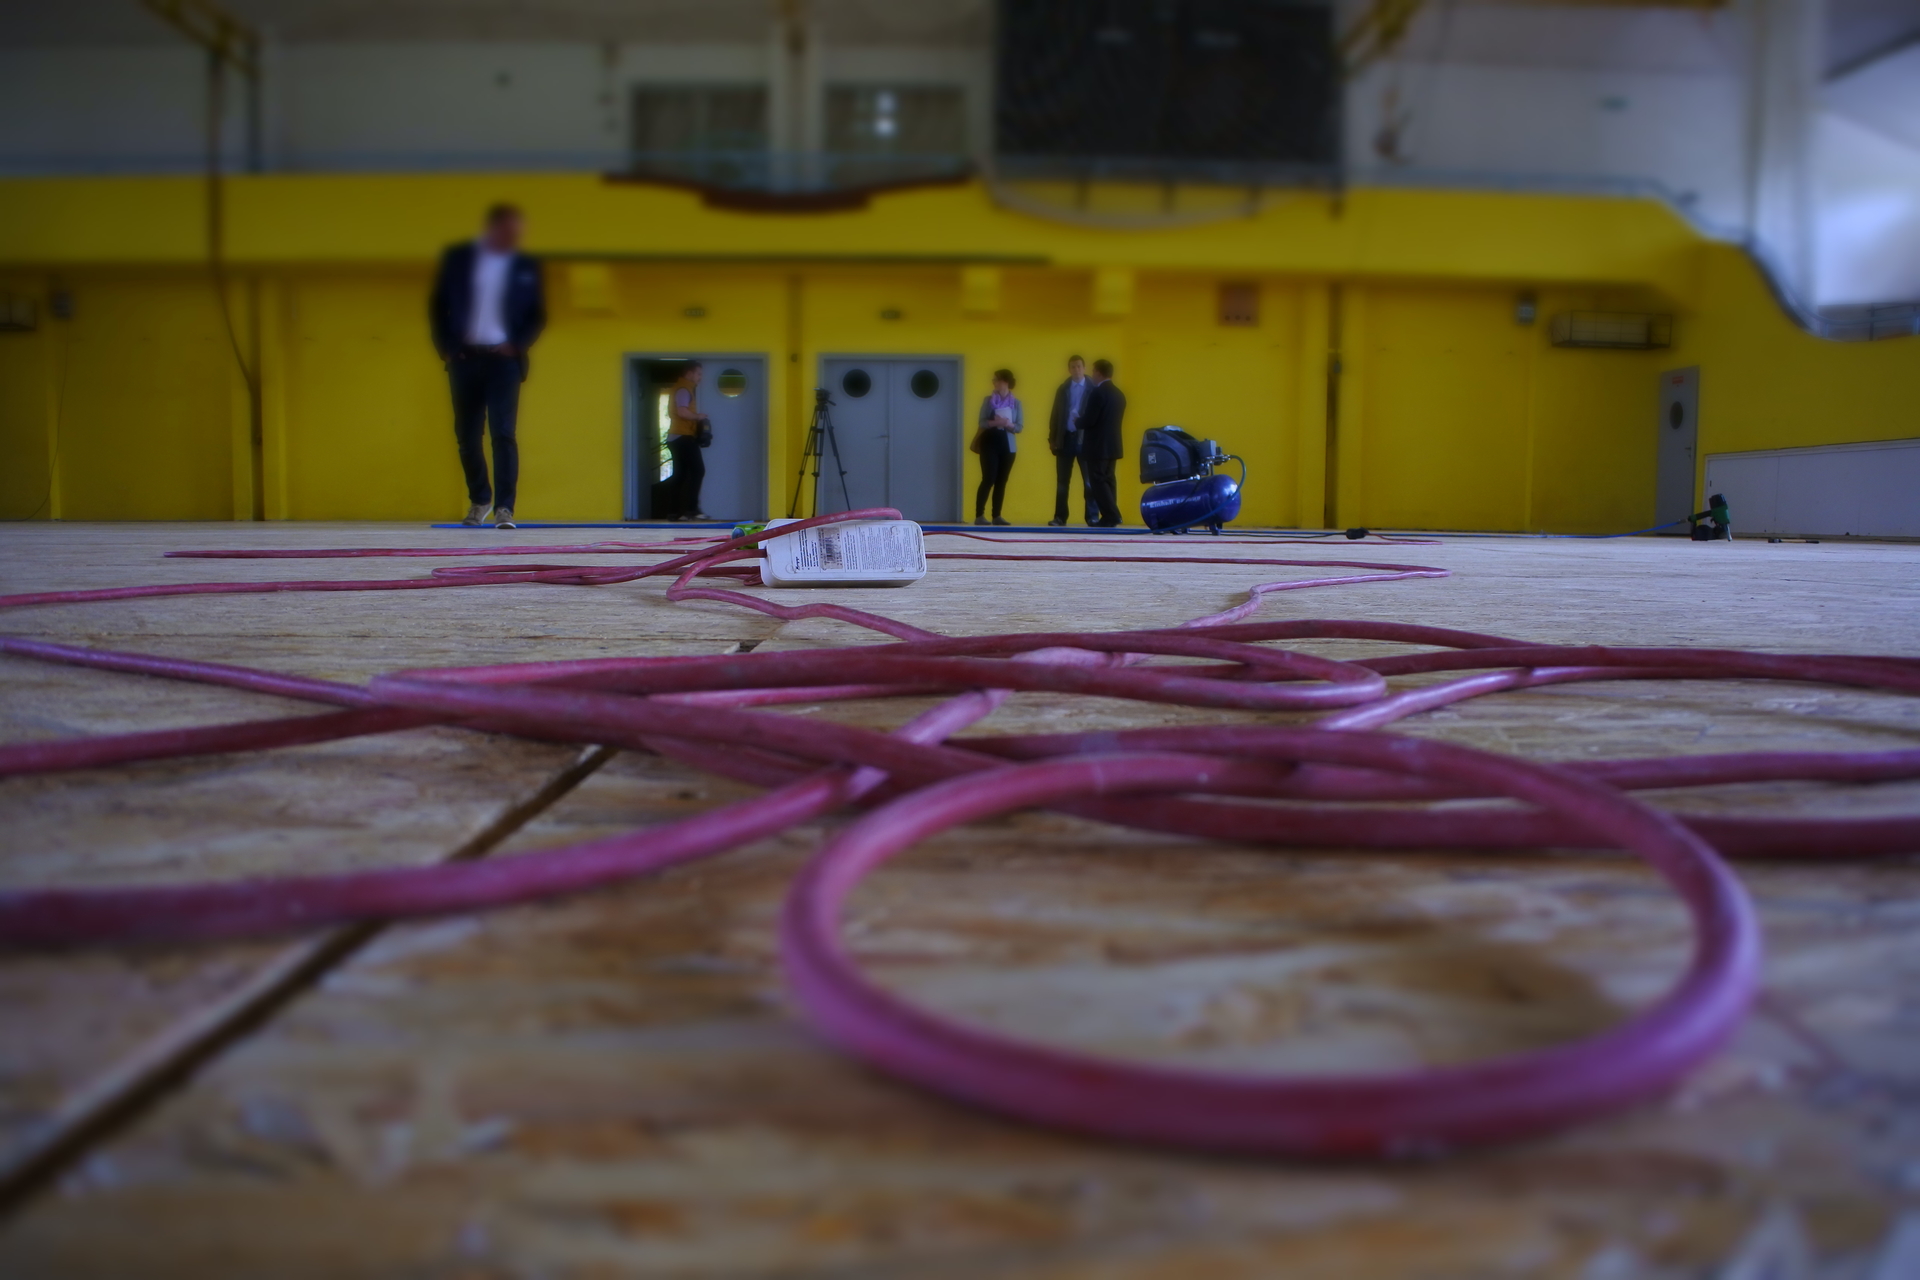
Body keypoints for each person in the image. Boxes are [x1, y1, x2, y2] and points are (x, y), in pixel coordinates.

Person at [429, 203, 545, 529]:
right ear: (493, 227)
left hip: (504, 362)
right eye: (508, 231)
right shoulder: (459, 259)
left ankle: (505, 508)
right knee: (466, 436)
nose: (514, 237)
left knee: (503, 434)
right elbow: (437, 306)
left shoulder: (525, 266)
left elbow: (537, 314)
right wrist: (447, 349)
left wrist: (517, 344)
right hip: (465, 359)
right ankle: (480, 500)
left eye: (517, 233)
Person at [1047, 354, 1096, 527]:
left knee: (1089, 482)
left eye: (1079, 366)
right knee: (1062, 482)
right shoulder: (1063, 389)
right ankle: (1060, 517)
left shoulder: (1093, 388)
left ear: (1084, 368)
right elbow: (1055, 414)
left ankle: (1092, 516)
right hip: (1066, 438)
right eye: (1073, 367)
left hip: (1086, 440)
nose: (1076, 370)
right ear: (1069, 369)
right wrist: (1052, 438)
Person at [1079, 358, 1127, 527]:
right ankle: (1111, 514)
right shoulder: (1119, 394)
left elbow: (1090, 420)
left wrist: (1077, 421)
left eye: (1093, 371)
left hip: (1098, 445)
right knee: (1109, 479)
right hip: (1113, 444)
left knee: (1098, 481)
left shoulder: (1097, 393)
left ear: (1099, 373)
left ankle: (1111, 515)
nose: (1092, 374)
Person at [974, 368, 1022, 526]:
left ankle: (997, 516)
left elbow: (1019, 427)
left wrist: (1008, 424)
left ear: (1005, 382)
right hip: (989, 442)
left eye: (996, 379)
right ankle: (980, 515)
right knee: (988, 478)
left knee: (1002, 481)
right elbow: (981, 422)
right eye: (993, 380)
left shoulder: (1016, 403)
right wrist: (996, 422)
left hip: (1008, 445)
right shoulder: (988, 400)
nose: (994, 382)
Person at [666, 361, 710, 521]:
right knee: (698, 470)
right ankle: (691, 510)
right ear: (689, 373)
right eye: (698, 374)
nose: (700, 377)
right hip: (682, 437)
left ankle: (674, 512)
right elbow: (682, 412)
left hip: (677, 437)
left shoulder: (683, 388)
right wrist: (698, 417)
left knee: (680, 474)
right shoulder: (684, 389)